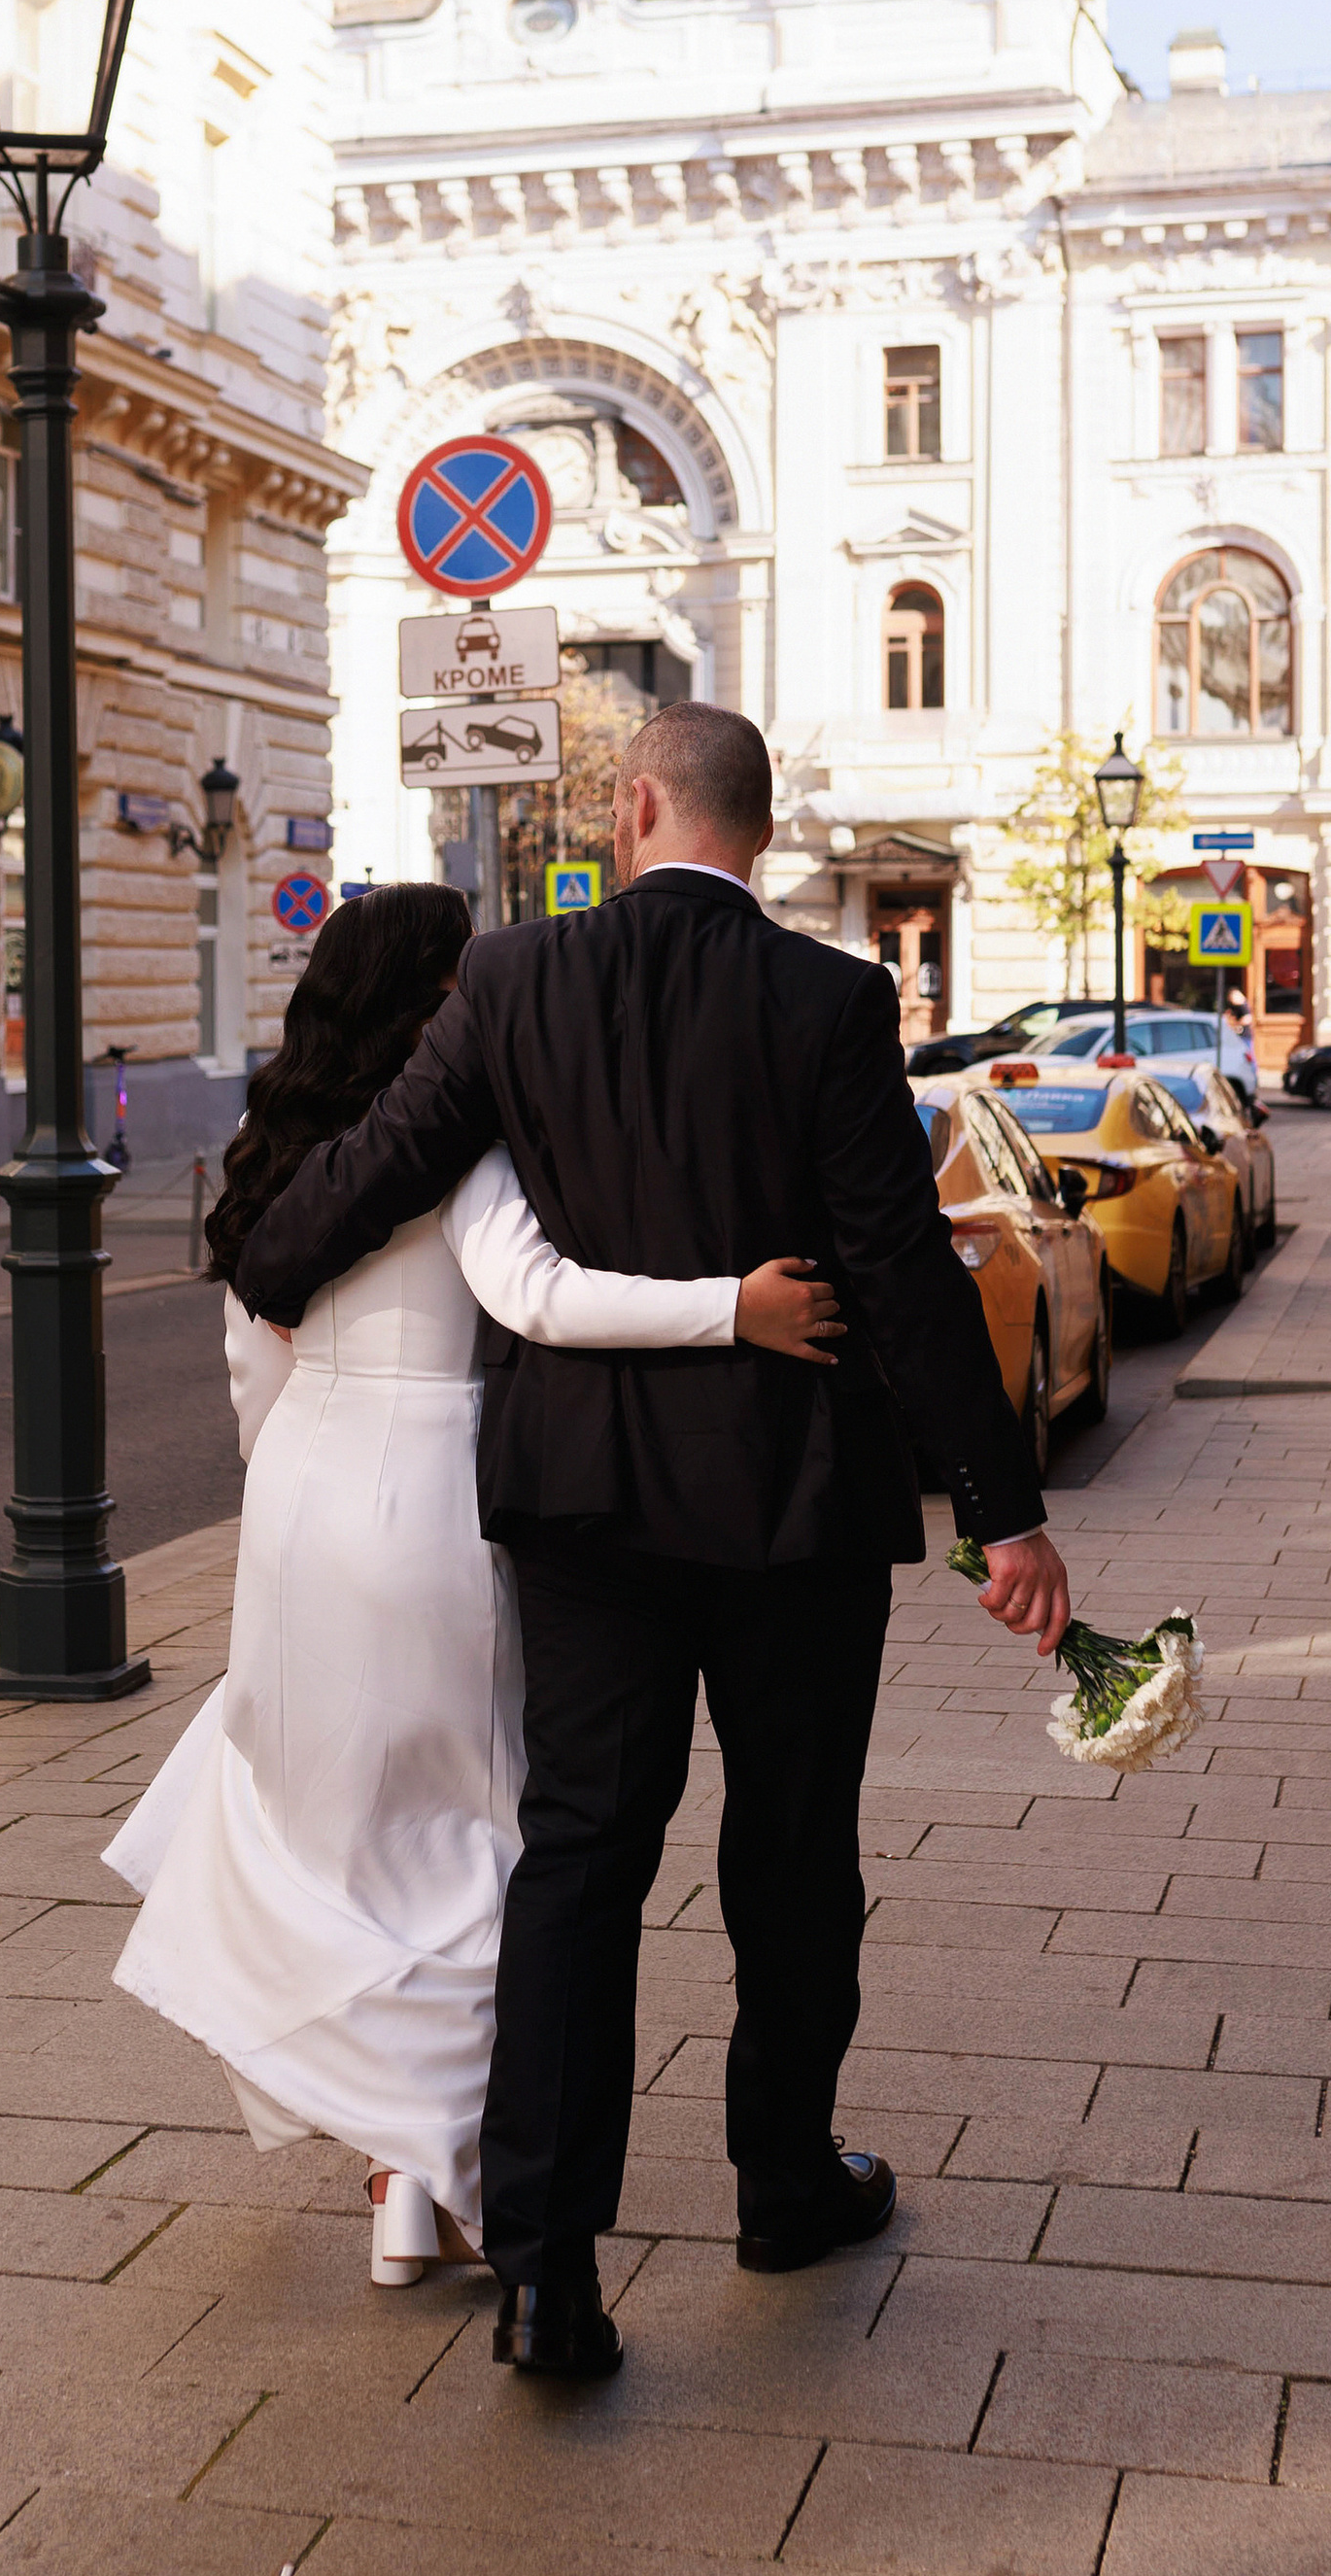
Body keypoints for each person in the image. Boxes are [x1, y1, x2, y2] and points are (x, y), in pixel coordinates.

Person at [234, 702, 1071, 2381]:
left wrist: (272, 1250)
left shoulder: (516, 983)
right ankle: (781, 2184)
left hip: (587, 1513)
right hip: (795, 1514)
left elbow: (391, 1163)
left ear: (632, 809)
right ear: (758, 834)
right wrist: (1003, 1514)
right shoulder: (834, 999)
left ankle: (550, 2277)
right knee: (791, 1858)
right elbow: (899, 1262)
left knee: (579, 1864)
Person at [105, 881, 842, 2297]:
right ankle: (435, 2154)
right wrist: (730, 1304)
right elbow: (540, 1298)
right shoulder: (472, 1148)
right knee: (491, 1838)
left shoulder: (276, 1155)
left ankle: (395, 2174)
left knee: (328, 1832)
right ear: (442, 1001)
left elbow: (251, 1363)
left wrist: (294, 1484)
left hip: (300, 1499)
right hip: (445, 1500)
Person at [1219, 987, 1260, 1097]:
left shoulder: (1243, 1005)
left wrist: (1236, 1024)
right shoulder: (1236, 1006)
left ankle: (1254, 1074)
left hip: (1245, 1036)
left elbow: (1248, 1019)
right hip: (1241, 1036)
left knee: (1249, 1057)